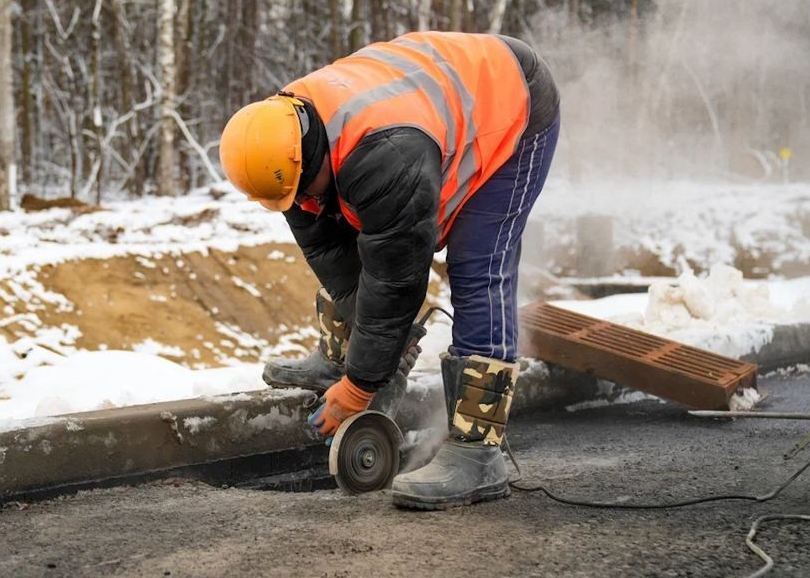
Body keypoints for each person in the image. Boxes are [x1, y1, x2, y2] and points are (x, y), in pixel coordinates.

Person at [218, 31, 559, 509]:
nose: (299, 206)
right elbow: (334, 256)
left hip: (510, 104)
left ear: (308, 156)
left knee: (477, 265)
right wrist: (371, 360)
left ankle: (479, 454)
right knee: (341, 222)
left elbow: (396, 277)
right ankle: (345, 357)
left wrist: (359, 388)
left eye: (300, 192)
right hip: (429, 107)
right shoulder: (280, 141)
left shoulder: (384, 155)